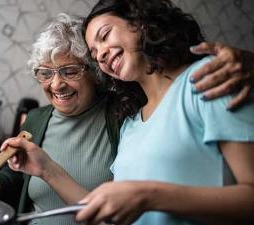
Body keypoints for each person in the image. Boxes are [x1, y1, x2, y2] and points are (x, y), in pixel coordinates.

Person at [69, 0, 254, 224]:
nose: (100, 56)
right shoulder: (130, 126)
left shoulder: (208, 78)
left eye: (105, 35)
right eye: (94, 53)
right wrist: (46, 169)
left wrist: (149, 196)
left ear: (140, 22)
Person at [0, 13, 140, 225]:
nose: (56, 84)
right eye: (46, 73)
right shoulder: (35, 119)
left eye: (69, 71)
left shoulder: (122, 114)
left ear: (95, 72)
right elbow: (15, 175)